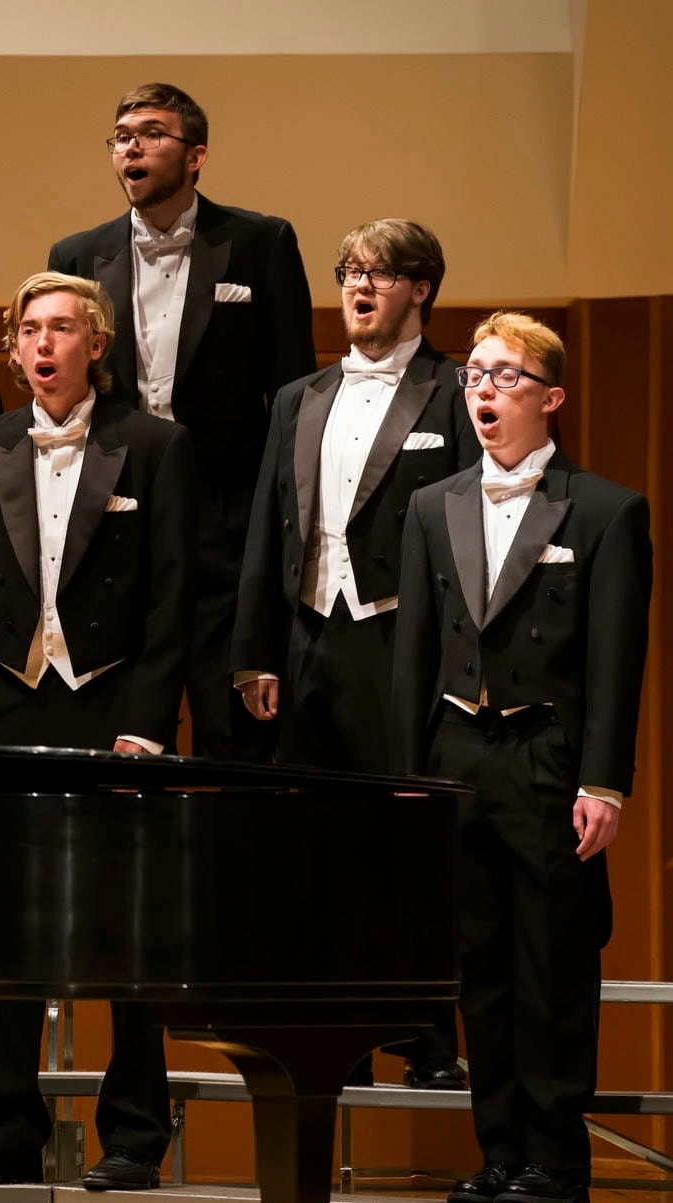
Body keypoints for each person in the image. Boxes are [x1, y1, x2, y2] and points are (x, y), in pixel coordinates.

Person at [0, 273, 194, 1187]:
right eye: (29, 330)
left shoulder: (154, 445)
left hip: (112, 707)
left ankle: (135, 1134)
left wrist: (148, 729)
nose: (43, 344)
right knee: (9, 928)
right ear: (14, 348)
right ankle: (8, 1126)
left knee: (127, 928)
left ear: (98, 344)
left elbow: (170, 599)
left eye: (62, 328)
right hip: (10, 701)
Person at [393, 312, 651, 1203]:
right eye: (475, 374)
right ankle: (500, 1152)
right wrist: (411, 782)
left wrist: (603, 779)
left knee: (552, 970)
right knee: (483, 972)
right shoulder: (433, 505)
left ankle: (556, 1160)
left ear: (552, 396)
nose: (484, 389)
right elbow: (412, 660)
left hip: (547, 761)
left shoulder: (606, 509)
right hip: (458, 757)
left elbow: (616, 660)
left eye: (506, 375)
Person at [232, 219, 476, 1088]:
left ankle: (428, 1038)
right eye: (349, 272)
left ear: (421, 288)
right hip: (308, 637)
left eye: (380, 273)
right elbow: (268, 524)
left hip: (400, 641)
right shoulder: (300, 395)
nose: (359, 287)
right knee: (316, 845)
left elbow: (474, 532)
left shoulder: (456, 389)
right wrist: (254, 652)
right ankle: (339, 1036)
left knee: (409, 842)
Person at [45, 82, 314, 765]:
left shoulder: (260, 242)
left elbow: (292, 395)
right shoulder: (76, 255)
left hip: (226, 516)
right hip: (116, 513)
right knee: (119, 730)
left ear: (196, 156)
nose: (130, 147)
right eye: (121, 136)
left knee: (232, 736)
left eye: (150, 133)